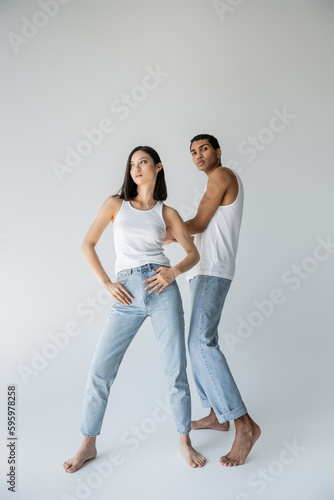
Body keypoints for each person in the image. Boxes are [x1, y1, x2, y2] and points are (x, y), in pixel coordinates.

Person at [63, 146, 206, 473]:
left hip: (162, 289)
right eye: (132, 164)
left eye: (143, 162)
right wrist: (106, 283)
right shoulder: (116, 205)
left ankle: (184, 440)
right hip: (126, 291)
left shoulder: (166, 213)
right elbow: (87, 244)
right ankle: (88, 444)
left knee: (175, 370)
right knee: (101, 369)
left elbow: (192, 253)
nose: (136, 168)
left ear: (157, 167)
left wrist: (173, 272)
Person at [164, 134, 261, 466]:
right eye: (192, 152)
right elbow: (199, 228)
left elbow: (198, 224)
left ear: (218, 152)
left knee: (201, 345)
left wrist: (157, 234)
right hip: (206, 271)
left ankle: (243, 424)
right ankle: (218, 415)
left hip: (212, 271)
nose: (198, 155)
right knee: (199, 344)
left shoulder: (222, 176)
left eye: (203, 149)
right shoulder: (215, 181)